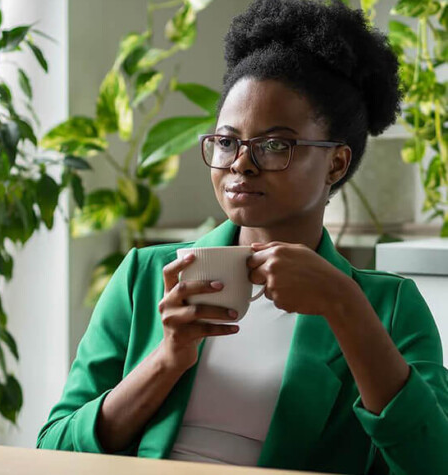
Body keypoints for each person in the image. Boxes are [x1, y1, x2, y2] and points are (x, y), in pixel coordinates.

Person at [36, 1, 448, 473]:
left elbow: (432, 463)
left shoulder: (386, 307)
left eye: (275, 145)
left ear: (336, 162)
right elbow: (53, 451)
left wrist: (343, 304)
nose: (240, 163)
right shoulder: (145, 277)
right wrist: (167, 359)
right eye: (228, 141)